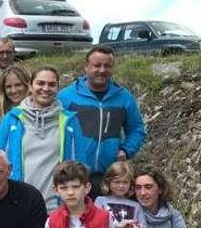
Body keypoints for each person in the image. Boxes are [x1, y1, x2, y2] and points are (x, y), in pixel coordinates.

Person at [0, 66, 83, 213]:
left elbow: (80, 163)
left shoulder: (70, 121)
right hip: (17, 205)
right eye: (40, 83)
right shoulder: (12, 119)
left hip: (56, 207)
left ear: (57, 88)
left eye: (52, 84)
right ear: (30, 85)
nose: (45, 88)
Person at [58, 45, 146, 192]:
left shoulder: (124, 97)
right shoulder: (66, 97)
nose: (102, 70)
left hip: (109, 177)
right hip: (73, 177)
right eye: (97, 65)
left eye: (107, 66)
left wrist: (126, 150)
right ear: (86, 67)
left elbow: (137, 129)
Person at [0, 65, 30, 142]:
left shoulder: (38, 109)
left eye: (18, 85)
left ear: (27, 85)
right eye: (8, 87)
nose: (13, 90)